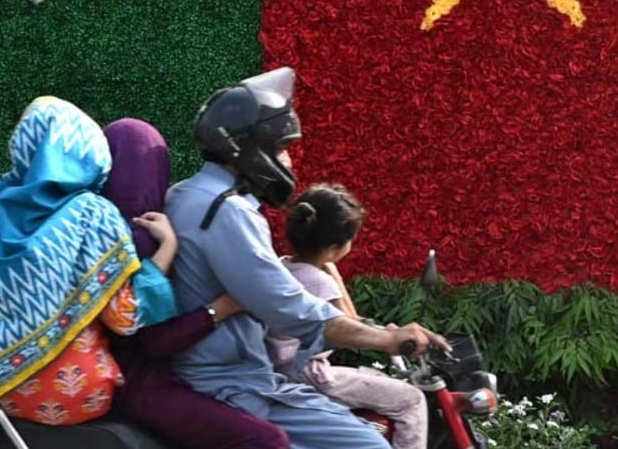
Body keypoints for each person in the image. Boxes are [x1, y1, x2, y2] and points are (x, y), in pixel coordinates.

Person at [164, 67, 447, 449]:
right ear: (249, 149)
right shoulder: (227, 213)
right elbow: (292, 309)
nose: (288, 162)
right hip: (232, 385)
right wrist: (387, 339)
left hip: (234, 377)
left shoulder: (185, 194)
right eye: (281, 149)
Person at [0, 97, 177, 447]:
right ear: (89, 150)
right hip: (74, 398)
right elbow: (125, 317)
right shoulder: (92, 215)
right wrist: (166, 250)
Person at [102, 118, 290, 449]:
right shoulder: (142, 239)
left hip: (134, 376)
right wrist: (227, 304)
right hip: (135, 382)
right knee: (265, 440)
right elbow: (149, 339)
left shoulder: (94, 228)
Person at [270, 184, 427, 449]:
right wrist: (335, 274)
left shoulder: (283, 266)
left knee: (378, 382)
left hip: (282, 371)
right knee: (410, 400)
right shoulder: (319, 281)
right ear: (334, 247)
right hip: (308, 374)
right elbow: (350, 326)